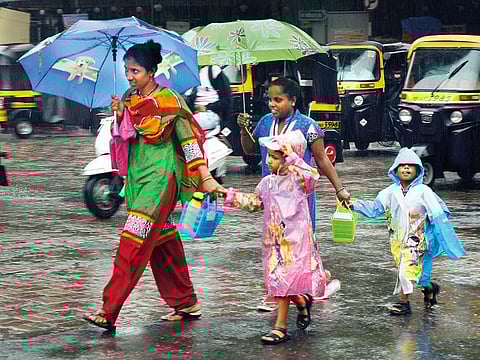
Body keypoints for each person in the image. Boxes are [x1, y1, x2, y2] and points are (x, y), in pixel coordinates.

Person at [83, 40, 223, 330]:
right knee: (163, 241)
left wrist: (205, 176)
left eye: (135, 70)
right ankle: (185, 301)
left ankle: (108, 311)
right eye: (127, 70)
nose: (130, 76)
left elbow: (189, 141)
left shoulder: (170, 101)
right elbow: (123, 137)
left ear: (151, 71)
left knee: (132, 241)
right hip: (136, 178)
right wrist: (120, 114)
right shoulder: (128, 98)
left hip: (161, 178)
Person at [237, 76, 349, 309]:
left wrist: (339, 189)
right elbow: (249, 151)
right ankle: (279, 293)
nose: (272, 104)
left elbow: (322, 160)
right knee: (275, 244)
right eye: (270, 100)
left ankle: (304, 286)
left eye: (278, 99)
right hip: (273, 197)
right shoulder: (266, 123)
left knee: (300, 245)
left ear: (293, 100)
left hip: (299, 198)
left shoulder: (308, 126)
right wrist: (243, 130)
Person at [223, 130, 330, 345]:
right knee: (279, 280)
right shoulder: (267, 183)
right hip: (274, 242)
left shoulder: (300, 181)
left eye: (274, 156)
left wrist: (292, 157)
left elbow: (312, 176)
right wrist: (229, 195)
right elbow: (254, 202)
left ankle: (280, 327)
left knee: (283, 280)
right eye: (268, 155)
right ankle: (301, 301)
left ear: (288, 157)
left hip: (296, 242)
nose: (268, 160)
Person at [351, 148, 465, 316]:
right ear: (395, 169)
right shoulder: (389, 192)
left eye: (410, 166)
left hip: (417, 241)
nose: (406, 169)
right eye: (402, 165)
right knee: (416, 274)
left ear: (418, 170)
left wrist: (442, 235)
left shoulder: (424, 192)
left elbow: (438, 214)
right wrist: (353, 204)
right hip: (397, 240)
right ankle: (430, 288)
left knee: (406, 271)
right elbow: (374, 209)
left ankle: (404, 304)